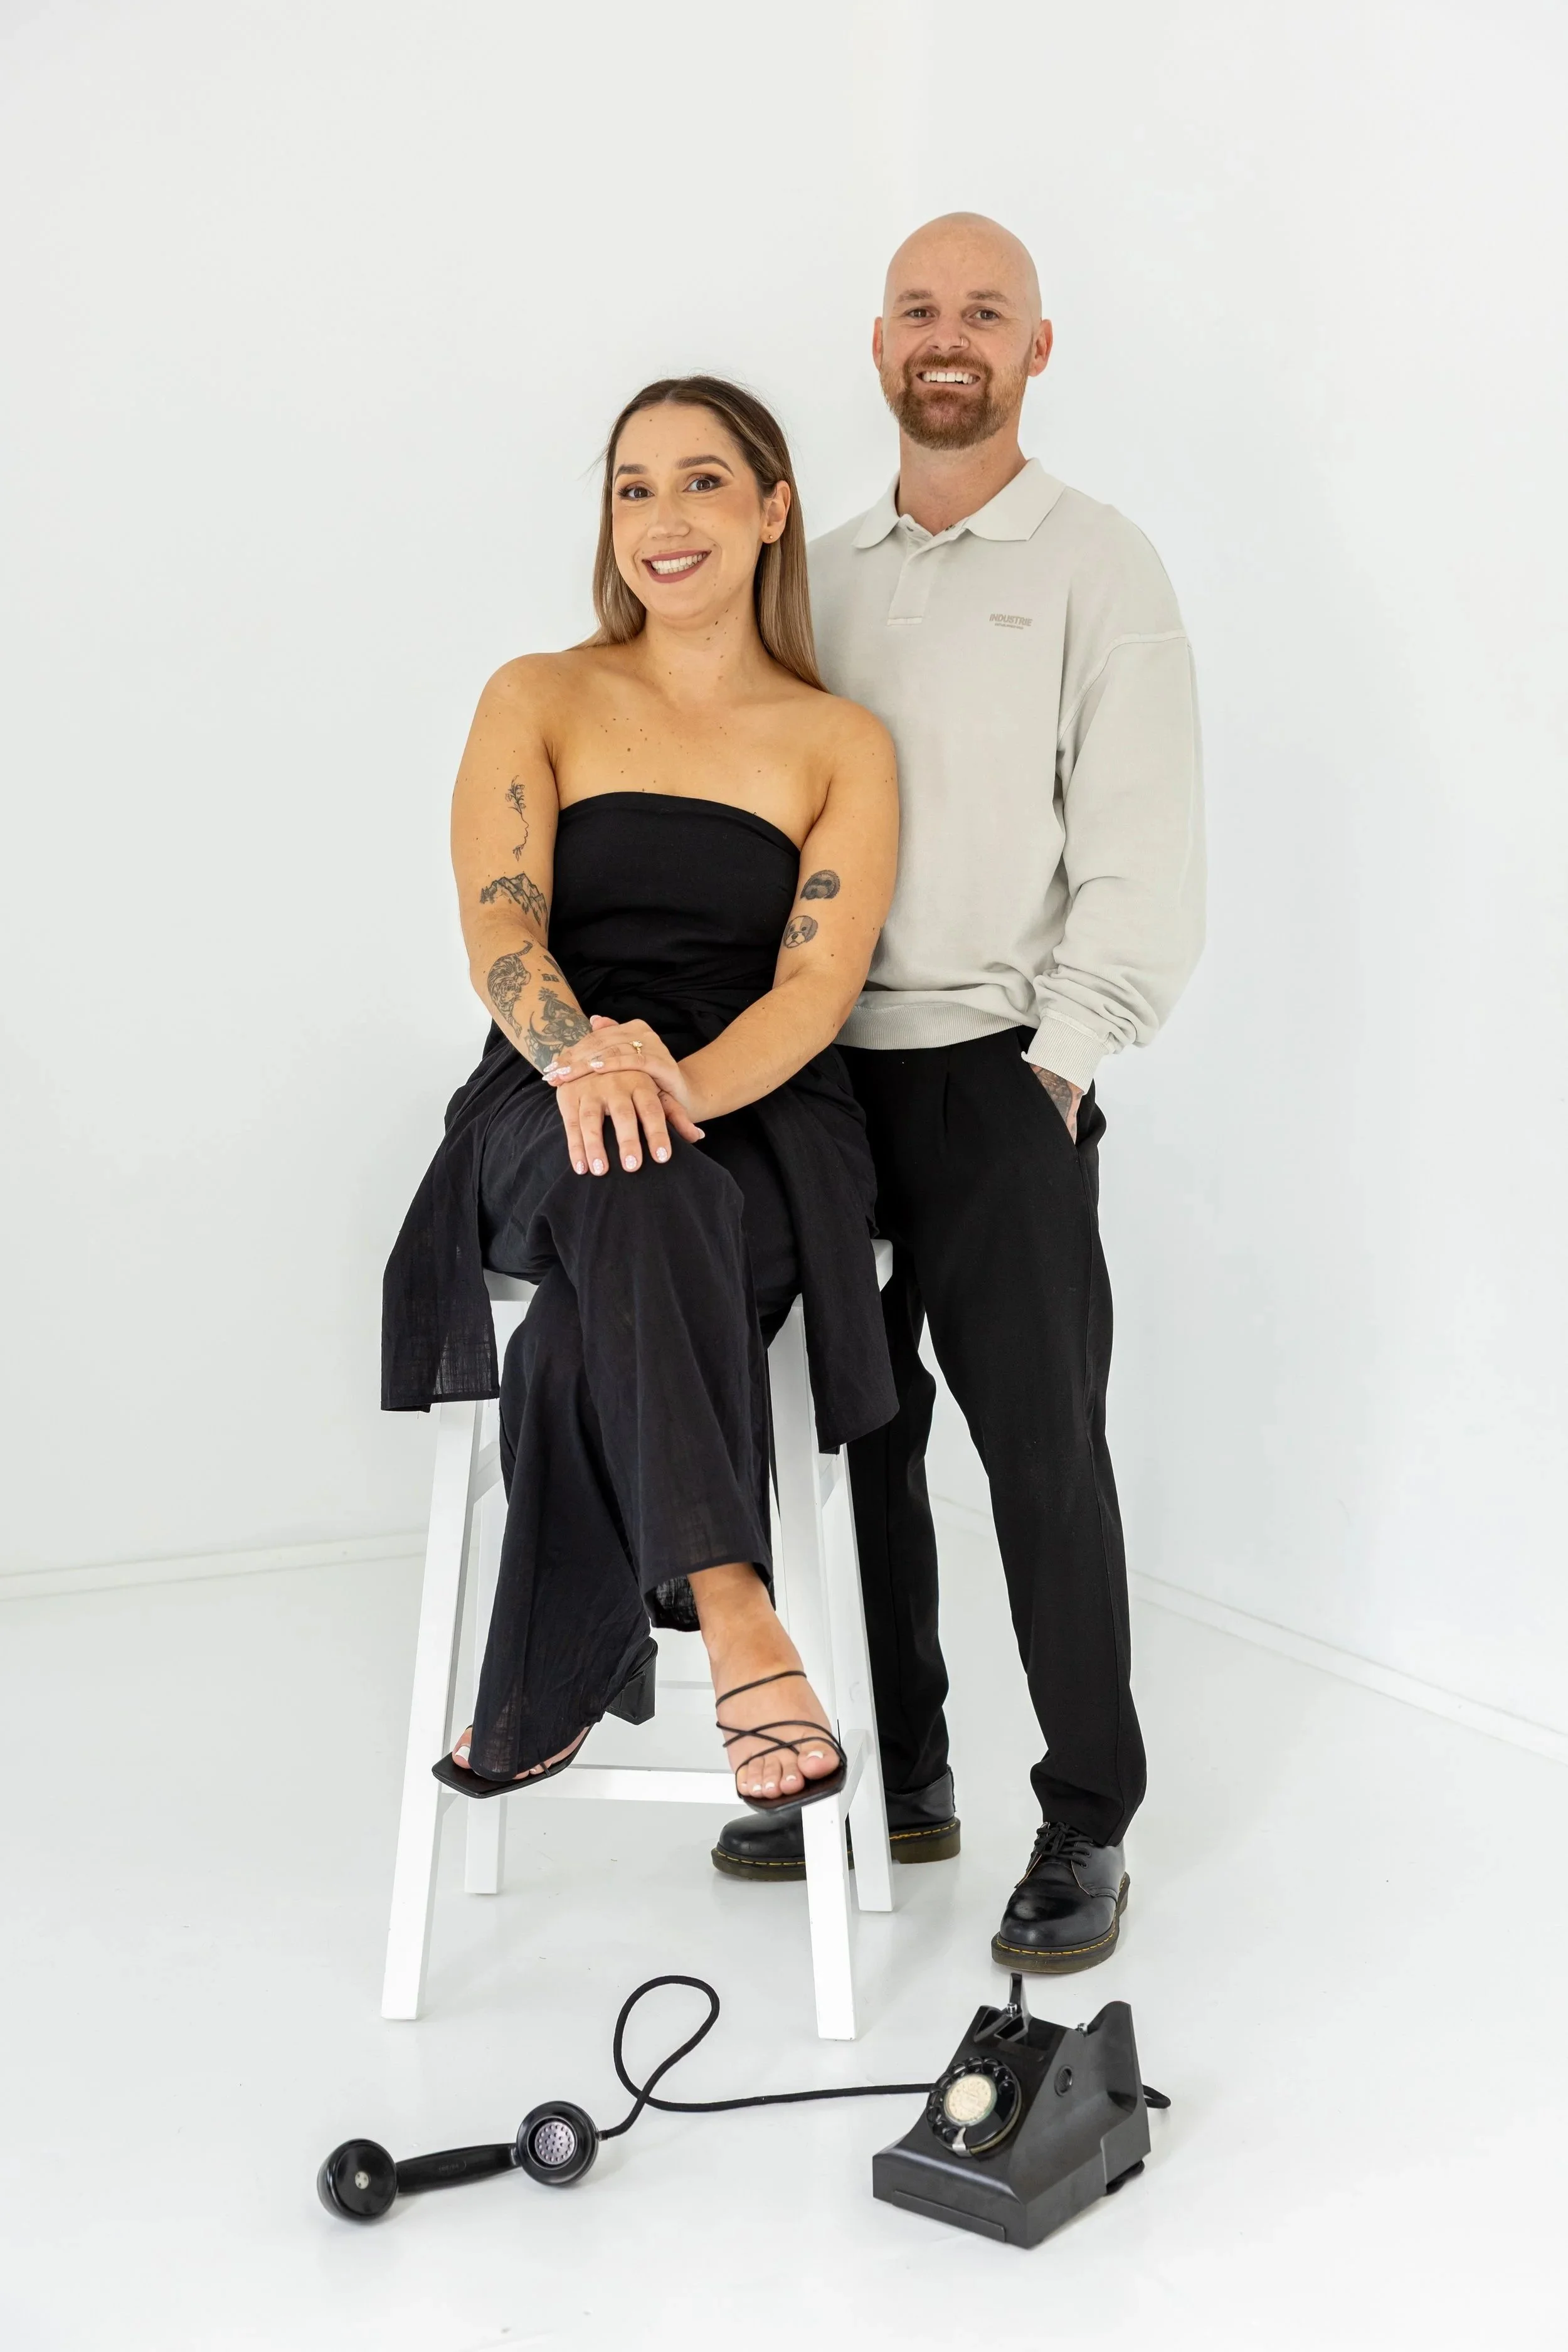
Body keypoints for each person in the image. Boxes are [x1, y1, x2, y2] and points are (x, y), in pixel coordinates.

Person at [711, 216, 1205, 1974]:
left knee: (1041, 1452)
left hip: (1003, 1073)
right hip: (820, 1077)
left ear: (1034, 350)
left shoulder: (1096, 565)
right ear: (874, 344)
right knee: (858, 1440)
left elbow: (1143, 850)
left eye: (981, 313)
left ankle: (1084, 1818)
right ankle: (900, 1775)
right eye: (920, 310)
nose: (948, 339)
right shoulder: (814, 572)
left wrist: (1063, 1065)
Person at [382, 376, 899, 1808]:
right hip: (539, 1095)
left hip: (761, 1116)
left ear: (770, 510)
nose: (661, 520)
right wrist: (580, 1056)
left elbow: (813, 993)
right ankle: (736, 1613)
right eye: (631, 487)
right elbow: (500, 921)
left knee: (624, 1239)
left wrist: (666, 1085)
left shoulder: (835, 741)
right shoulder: (539, 693)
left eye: (700, 483)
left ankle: (568, 1646)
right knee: (629, 1177)